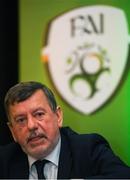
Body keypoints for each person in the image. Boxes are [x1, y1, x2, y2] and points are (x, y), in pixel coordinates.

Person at [0, 81, 130, 179]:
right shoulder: (5, 160)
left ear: (58, 116)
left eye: (39, 114)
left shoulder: (88, 149)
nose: (31, 125)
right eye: (21, 120)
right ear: (12, 131)